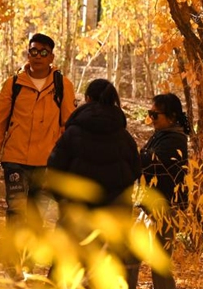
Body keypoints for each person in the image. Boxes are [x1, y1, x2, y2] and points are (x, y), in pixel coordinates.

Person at [46, 79, 142, 288]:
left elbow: (53, 170)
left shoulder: (73, 133)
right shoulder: (124, 137)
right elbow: (135, 171)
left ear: (87, 99)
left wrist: (62, 201)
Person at [0, 33, 77, 227]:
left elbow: (68, 125)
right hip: (14, 159)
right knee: (16, 211)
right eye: (34, 51)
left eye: (44, 52)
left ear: (51, 57)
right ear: (28, 54)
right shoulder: (13, 84)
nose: (38, 56)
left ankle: (29, 255)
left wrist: (63, 159)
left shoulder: (63, 85)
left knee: (36, 216)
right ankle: (13, 255)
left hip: (45, 162)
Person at [138, 93, 190, 289]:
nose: (151, 119)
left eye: (155, 115)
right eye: (150, 114)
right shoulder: (162, 135)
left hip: (164, 208)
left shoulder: (174, 139)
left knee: (159, 264)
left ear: (171, 116)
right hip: (151, 205)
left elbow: (150, 162)